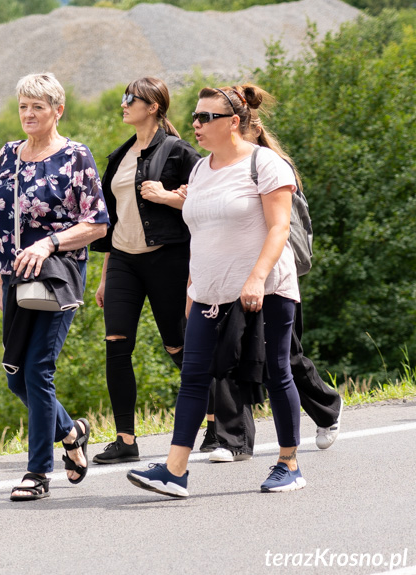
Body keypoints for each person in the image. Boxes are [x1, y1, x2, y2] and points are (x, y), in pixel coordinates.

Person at [127, 84, 307, 496]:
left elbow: (279, 227)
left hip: (267, 286)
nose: (196, 124)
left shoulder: (266, 164)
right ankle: (175, 471)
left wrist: (257, 278)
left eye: (206, 117)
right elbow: (200, 233)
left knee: (277, 372)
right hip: (210, 290)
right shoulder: (199, 170)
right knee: (193, 377)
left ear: (232, 123)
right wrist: (193, 286)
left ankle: (289, 462)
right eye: (195, 116)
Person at [0, 73, 108, 501]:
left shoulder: (76, 156)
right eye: (23, 106)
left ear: (58, 110)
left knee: (39, 367)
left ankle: (37, 472)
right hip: (14, 276)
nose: (28, 114)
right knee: (15, 375)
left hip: (58, 274)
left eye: (37, 107)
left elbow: (97, 223)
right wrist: (2, 277)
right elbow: (4, 223)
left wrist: (49, 243)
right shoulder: (9, 155)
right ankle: (72, 431)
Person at [207, 111, 342, 463]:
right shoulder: (216, 168)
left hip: (275, 279)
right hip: (232, 277)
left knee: (284, 361)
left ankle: (327, 407)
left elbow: (282, 229)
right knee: (227, 352)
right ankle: (233, 439)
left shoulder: (270, 167)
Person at [89, 77, 200, 464]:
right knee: (116, 344)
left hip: (166, 258)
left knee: (177, 344)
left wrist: (168, 197)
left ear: (152, 106)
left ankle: (220, 418)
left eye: (129, 99)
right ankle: (125, 439)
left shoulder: (178, 152)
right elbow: (112, 218)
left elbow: (207, 198)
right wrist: (105, 275)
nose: (123, 104)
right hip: (123, 259)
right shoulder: (119, 156)